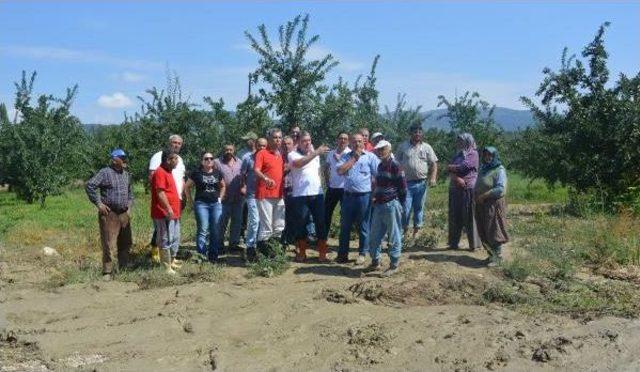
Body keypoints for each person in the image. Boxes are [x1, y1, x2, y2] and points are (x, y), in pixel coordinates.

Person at [86, 149, 133, 281]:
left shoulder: (126, 174)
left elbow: (130, 193)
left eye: (125, 157)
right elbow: (90, 185)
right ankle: (107, 271)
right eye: (122, 158)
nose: (125, 160)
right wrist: (99, 204)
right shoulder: (105, 172)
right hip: (109, 213)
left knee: (126, 242)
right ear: (114, 159)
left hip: (124, 213)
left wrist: (129, 207)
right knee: (109, 243)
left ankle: (124, 268)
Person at [336, 133, 380, 265]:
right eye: (355, 142)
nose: (357, 144)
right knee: (345, 226)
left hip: (364, 196)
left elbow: (379, 176)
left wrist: (375, 194)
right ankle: (342, 255)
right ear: (351, 143)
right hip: (348, 196)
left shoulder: (370, 157)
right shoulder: (345, 156)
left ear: (364, 142)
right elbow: (340, 171)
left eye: (360, 141)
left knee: (364, 226)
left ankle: (362, 253)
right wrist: (354, 158)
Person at [367, 140, 407, 276]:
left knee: (394, 235)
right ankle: (375, 261)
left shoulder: (395, 165)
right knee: (374, 235)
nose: (380, 151)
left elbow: (402, 186)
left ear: (389, 149)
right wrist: (374, 196)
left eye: (383, 149)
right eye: (378, 149)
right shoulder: (380, 166)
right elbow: (378, 184)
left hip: (391, 204)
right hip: (379, 204)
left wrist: (400, 203)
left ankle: (394, 264)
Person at [288, 131, 330, 262]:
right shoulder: (292, 154)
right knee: (301, 224)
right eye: (304, 141)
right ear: (299, 142)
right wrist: (316, 152)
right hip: (300, 195)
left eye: (309, 140)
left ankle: (322, 253)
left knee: (321, 223)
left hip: (317, 194)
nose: (307, 143)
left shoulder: (315, 155)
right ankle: (302, 252)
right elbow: (300, 164)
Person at [396, 124, 438, 239]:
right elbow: (396, 162)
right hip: (406, 183)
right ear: (410, 133)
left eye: (420, 132)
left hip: (422, 183)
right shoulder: (403, 146)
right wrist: (398, 177)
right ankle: (405, 231)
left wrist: (433, 178)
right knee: (405, 208)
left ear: (422, 134)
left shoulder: (427, 147)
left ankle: (417, 231)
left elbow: (434, 163)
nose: (417, 134)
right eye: (415, 132)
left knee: (419, 207)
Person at [148, 134, 186, 262]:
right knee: (163, 233)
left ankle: (171, 259)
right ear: (169, 143)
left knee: (173, 233)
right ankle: (160, 257)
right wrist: (165, 204)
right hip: (164, 204)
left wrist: (182, 196)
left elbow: (181, 179)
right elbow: (154, 181)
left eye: (179, 143)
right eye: (174, 142)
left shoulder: (178, 160)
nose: (176, 145)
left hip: (176, 201)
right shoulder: (159, 157)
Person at [185, 151, 226, 262]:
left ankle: (213, 256)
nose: (209, 160)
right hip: (201, 204)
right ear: (202, 161)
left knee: (215, 229)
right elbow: (187, 187)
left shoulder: (217, 173)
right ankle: (201, 256)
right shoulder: (196, 173)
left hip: (215, 205)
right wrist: (190, 201)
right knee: (203, 229)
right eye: (206, 158)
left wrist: (220, 199)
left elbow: (223, 186)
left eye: (211, 158)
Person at [475, 146, 509, 266]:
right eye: (485, 155)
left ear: (495, 156)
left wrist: (485, 195)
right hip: (481, 204)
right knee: (484, 229)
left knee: (494, 229)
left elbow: (500, 189)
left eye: (490, 155)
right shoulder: (483, 168)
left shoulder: (499, 170)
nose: (487, 157)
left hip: (493, 204)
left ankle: (497, 257)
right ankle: (490, 255)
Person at [254, 128, 286, 254]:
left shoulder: (281, 155)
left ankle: (274, 254)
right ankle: (263, 256)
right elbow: (256, 170)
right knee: (266, 226)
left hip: (279, 194)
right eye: (275, 137)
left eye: (279, 137)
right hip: (265, 195)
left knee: (279, 226)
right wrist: (266, 178)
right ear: (269, 139)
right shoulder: (262, 153)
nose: (278, 140)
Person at [151, 149, 182, 274]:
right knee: (164, 238)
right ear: (168, 160)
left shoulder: (168, 171)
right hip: (163, 213)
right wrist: (168, 208)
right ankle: (166, 267)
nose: (177, 161)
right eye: (175, 158)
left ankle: (172, 261)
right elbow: (160, 192)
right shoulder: (160, 172)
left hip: (173, 212)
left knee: (174, 237)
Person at [447, 133, 481, 251]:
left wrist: (451, 167)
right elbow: (450, 170)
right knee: (454, 216)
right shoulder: (457, 155)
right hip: (455, 188)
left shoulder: (473, 153)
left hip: (468, 188)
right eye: (458, 141)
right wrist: (456, 178)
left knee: (470, 216)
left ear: (468, 142)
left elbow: (463, 167)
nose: (459, 143)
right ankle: (453, 243)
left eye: (461, 141)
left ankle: (474, 244)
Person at [241, 137, 266, 261]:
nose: (262, 148)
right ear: (255, 145)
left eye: (264, 146)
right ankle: (250, 246)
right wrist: (244, 186)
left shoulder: (268, 157)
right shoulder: (247, 158)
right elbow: (242, 174)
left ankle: (260, 246)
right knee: (254, 220)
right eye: (260, 145)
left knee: (263, 222)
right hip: (251, 194)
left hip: (264, 195)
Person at [215, 144, 244, 253]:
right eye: (226, 149)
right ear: (224, 150)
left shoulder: (240, 162)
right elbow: (213, 177)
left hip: (238, 198)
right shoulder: (217, 163)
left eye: (230, 149)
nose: (228, 151)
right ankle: (219, 244)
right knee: (221, 222)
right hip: (223, 198)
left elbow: (244, 177)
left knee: (237, 222)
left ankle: (234, 244)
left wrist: (244, 187)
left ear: (234, 150)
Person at [323, 132, 350, 241]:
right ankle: (323, 238)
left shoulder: (350, 153)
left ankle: (343, 239)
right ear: (337, 140)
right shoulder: (331, 153)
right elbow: (326, 168)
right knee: (326, 213)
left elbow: (349, 169)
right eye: (340, 138)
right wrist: (327, 181)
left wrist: (339, 159)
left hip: (345, 189)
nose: (342, 140)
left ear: (348, 141)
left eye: (345, 139)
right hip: (332, 188)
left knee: (345, 216)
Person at [281, 135, 297, 247]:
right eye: (284, 144)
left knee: (295, 217)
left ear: (293, 144)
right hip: (281, 191)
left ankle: (294, 240)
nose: (286, 146)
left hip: (295, 191)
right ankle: (284, 241)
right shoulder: (278, 157)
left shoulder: (297, 157)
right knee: (282, 217)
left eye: (289, 143)